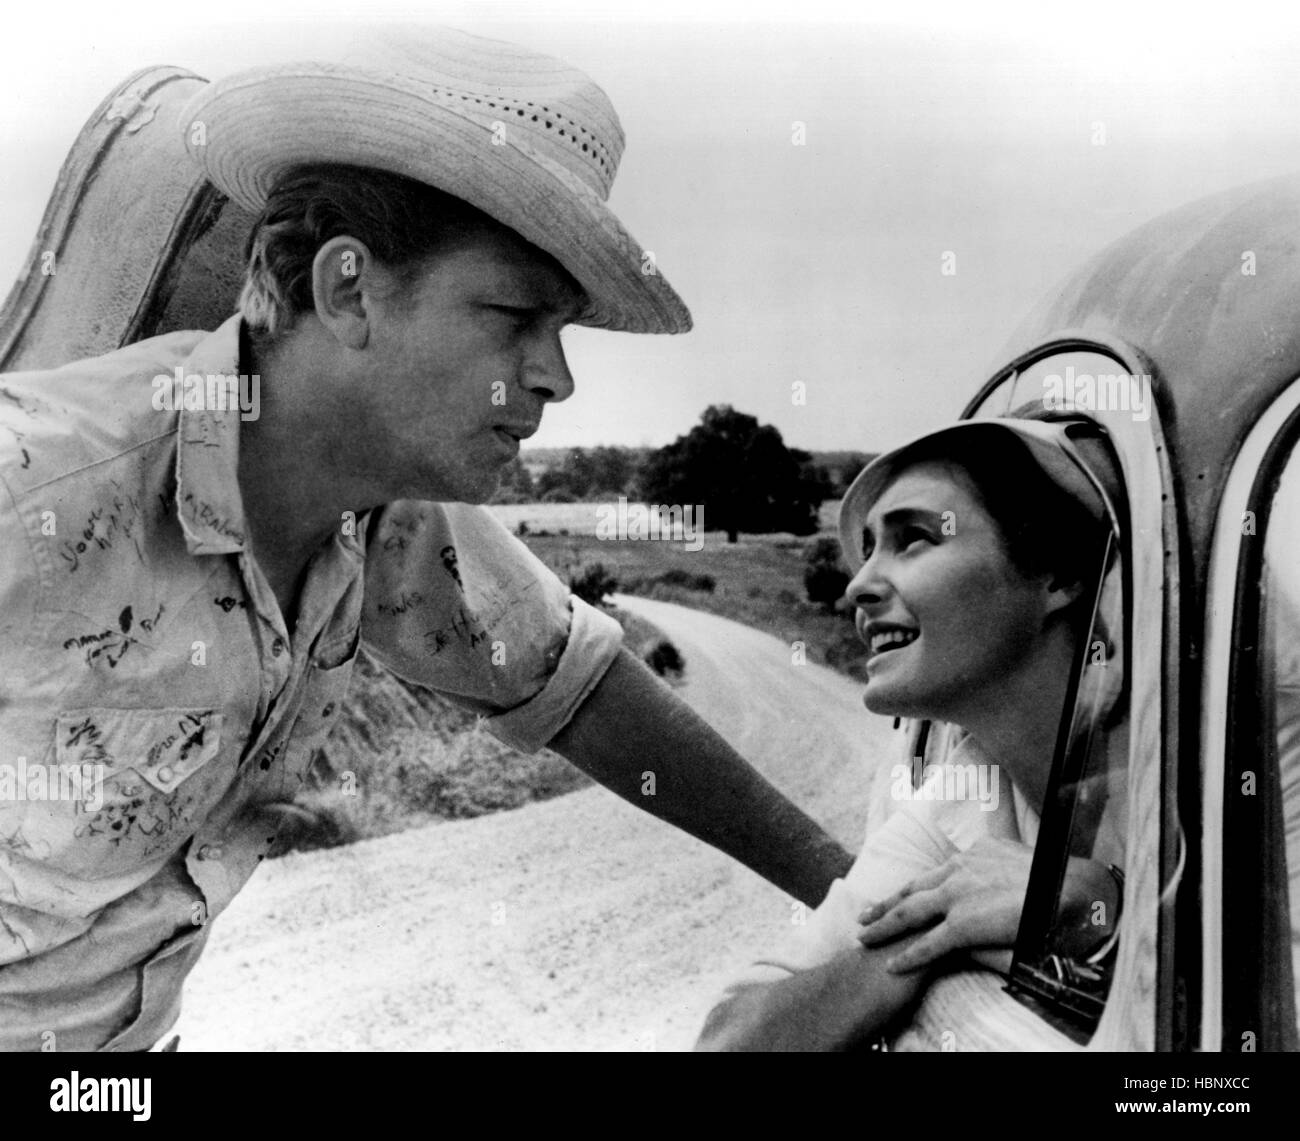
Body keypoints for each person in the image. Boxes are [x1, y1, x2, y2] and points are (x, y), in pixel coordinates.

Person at [0, 26, 852, 1052]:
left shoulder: (392, 520)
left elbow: (584, 693)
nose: (556, 378)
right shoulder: (39, 480)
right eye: (513, 317)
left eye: (564, 330)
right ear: (348, 289)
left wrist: (867, 905)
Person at [695, 415, 1128, 1051]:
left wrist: (1104, 905)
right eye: (868, 548)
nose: (858, 585)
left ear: (1056, 573)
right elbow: (730, 1041)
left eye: (914, 539)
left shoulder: (1230, 754)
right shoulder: (966, 791)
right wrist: (941, 937)